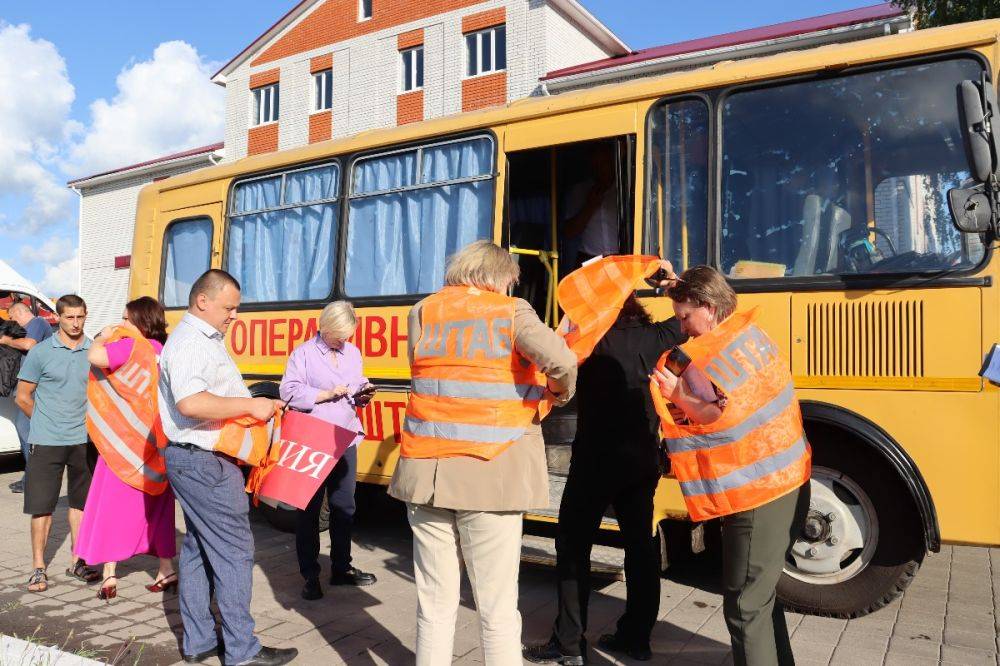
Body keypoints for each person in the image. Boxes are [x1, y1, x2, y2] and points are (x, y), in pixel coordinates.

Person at [388, 240, 577, 666]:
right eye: (510, 281)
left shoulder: (423, 311)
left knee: (434, 604)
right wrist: (555, 394)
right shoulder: (512, 312)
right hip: (490, 471)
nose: (511, 288)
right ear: (497, 277)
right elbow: (562, 362)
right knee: (496, 608)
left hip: (425, 471)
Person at [651, 266, 811, 666]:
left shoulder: (714, 354)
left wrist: (677, 395)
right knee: (761, 598)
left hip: (758, 495)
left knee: (744, 607)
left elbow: (716, 415)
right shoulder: (746, 334)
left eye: (685, 316)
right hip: (790, 480)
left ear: (707, 307)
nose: (682, 327)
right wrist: (677, 283)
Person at [524, 268, 685, 664]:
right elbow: (692, 315)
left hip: (595, 462)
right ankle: (636, 638)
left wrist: (568, 324)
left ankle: (569, 644)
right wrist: (673, 285)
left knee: (573, 547)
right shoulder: (657, 336)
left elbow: (553, 360)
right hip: (642, 460)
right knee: (640, 548)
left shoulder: (587, 341)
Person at [158, 269, 297, 666]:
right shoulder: (190, 343)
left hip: (196, 459)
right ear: (203, 301)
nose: (234, 315)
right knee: (235, 553)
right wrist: (251, 405)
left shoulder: (202, 339)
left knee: (200, 548)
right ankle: (242, 651)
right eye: (229, 307)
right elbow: (191, 403)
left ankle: (200, 641)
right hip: (204, 461)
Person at [76, 296, 177, 601]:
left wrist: (103, 336)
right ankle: (166, 569)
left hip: (125, 445)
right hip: (158, 443)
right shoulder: (164, 350)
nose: (121, 324)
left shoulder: (131, 346)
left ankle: (109, 574)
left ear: (140, 322)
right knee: (158, 509)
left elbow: (95, 357)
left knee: (111, 507)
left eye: (126, 319)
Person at [280, 300, 377, 601]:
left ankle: (341, 568)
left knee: (344, 506)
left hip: (345, 437)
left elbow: (355, 388)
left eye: (348, 335)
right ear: (325, 327)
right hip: (312, 440)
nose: (344, 340)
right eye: (340, 334)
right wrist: (324, 394)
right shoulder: (304, 354)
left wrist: (363, 394)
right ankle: (310, 575)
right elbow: (289, 391)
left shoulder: (353, 353)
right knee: (308, 511)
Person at [15, 294, 99, 592]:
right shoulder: (41, 352)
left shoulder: (94, 351)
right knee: (42, 507)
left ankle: (79, 561)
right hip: (47, 439)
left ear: (85, 316)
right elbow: (23, 396)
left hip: (84, 440)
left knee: (81, 504)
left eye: (80, 317)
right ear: (59, 319)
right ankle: (38, 568)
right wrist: (42, 421)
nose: (75, 323)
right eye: (69, 318)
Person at [2, 301, 53, 493]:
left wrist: (6, 341)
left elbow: (30, 345)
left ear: (19, 312)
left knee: (26, 429)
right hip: (26, 388)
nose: (13, 322)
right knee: (27, 431)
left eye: (13, 318)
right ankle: (31, 477)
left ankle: (34, 479)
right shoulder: (28, 328)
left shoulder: (38, 323)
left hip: (36, 388)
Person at [563, 143, 620, 268]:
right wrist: (590, 206)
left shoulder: (624, 189)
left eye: (604, 163)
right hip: (589, 260)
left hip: (621, 259)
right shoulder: (579, 191)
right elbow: (569, 232)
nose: (601, 169)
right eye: (596, 165)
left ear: (613, 162)